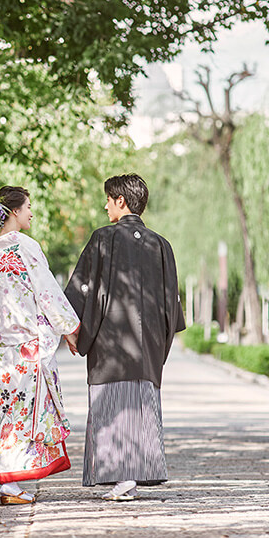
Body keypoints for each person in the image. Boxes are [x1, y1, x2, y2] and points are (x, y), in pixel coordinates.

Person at [64, 174, 185, 501]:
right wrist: (158, 340)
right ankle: (129, 478)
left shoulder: (103, 239)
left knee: (112, 403)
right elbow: (171, 304)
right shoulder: (161, 245)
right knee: (139, 403)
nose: (105, 205)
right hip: (147, 345)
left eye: (109, 199)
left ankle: (123, 479)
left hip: (110, 343)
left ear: (121, 201)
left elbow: (81, 290)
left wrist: (72, 330)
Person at [0, 185, 80, 505]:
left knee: (0, 413)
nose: (31, 212)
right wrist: (68, 328)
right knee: (21, 414)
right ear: (14, 211)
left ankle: (8, 483)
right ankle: (11, 485)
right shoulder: (25, 247)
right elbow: (47, 293)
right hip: (25, 348)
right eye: (28, 206)